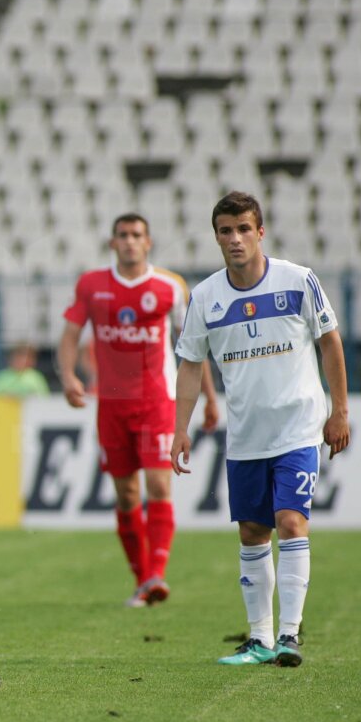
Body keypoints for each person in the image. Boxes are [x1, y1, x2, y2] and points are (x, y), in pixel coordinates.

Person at [171, 191, 350, 667]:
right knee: (252, 531)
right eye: (226, 231)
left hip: (298, 426)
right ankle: (259, 639)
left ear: (260, 231)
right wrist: (179, 428)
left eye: (244, 229)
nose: (235, 239)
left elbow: (330, 342)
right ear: (216, 236)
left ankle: (290, 636)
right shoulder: (205, 296)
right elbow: (190, 364)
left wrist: (340, 411)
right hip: (246, 434)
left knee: (291, 521)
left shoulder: (298, 281)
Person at [57, 212, 220, 608]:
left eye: (136, 235)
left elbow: (193, 348)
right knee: (127, 495)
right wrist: (67, 376)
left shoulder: (169, 287)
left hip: (156, 401)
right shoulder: (92, 285)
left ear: (148, 242)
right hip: (110, 405)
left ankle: (155, 575)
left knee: (159, 485)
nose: (129, 241)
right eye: (123, 235)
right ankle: (142, 578)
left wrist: (211, 399)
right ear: (112, 243)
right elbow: (70, 334)